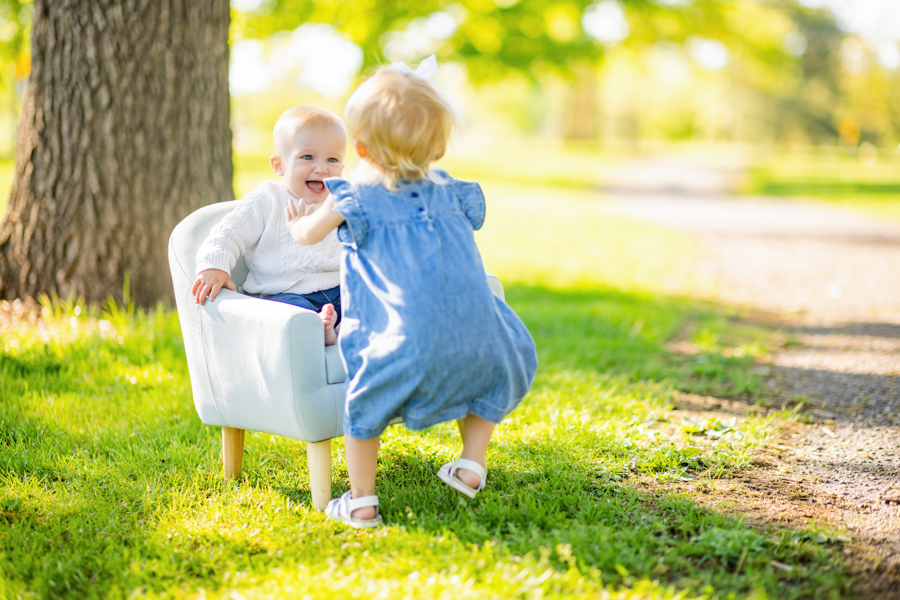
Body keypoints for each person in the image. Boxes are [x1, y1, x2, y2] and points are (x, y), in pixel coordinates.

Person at [285, 56, 538, 528]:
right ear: (437, 147)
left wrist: (300, 223)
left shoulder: (352, 197)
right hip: (486, 337)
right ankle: (471, 464)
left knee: (364, 406)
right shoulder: (455, 191)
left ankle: (360, 500)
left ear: (358, 148)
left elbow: (308, 236)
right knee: (490, 380)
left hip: (401, 344)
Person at [192, 105, 346, 345]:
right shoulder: (268, 199)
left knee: (367, 300)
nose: (322, 168)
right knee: (293, 313)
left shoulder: (341, 203)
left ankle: (341, 328)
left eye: (333, 159)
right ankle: (320, 328)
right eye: (308, 157)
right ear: (279, 165)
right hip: (282, 294)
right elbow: (228, 233)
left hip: (338, 289)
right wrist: (215, 266)